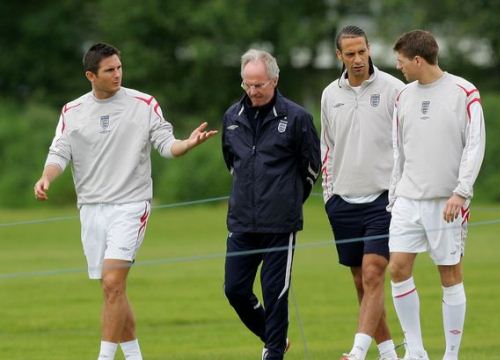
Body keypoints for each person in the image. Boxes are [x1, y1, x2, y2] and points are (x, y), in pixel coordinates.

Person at [34, 43, 217, 360]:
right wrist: (47, 177)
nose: (117, 74)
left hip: (131, 205)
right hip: (91, 209)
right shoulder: (72, 111)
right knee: (112, 289)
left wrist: (186, 144)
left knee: (113, 282)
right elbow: (59, 153)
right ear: (91, 75)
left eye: (119, 67)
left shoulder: (143, 103)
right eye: (109, 70)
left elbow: (165, 144)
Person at [388, 30, 485, 360]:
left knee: (450, 274)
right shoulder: (403, 97)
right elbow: (398, 150)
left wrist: (461, 192)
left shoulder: (464, 92)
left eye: (401, 61)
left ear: (417, 60)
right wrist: (394, 194)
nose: (398, 66)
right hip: (407, 200)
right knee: (397, 268)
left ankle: (451, 355)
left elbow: (474, 145)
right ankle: (415, 351)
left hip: (447, 202)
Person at [222, 49, 321, 360]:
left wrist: (288, 198)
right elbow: (232, 162)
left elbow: (312, 167)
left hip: (280, 221)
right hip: (241, 221)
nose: (253, 91)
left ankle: (273, 352)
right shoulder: (231, 118)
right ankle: (273, 336)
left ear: (274, 81)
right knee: (234, 289)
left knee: (275, 293)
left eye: (259, 85)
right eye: (247, 85)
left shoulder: (297, 118)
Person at [320, 25, 405, 360]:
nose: (357, 59)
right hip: (342, 201)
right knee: (361, 282)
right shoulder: (330, 94)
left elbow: (406, 145)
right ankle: (388, 353)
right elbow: (326, 146)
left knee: (373, 272)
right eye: (350, 54)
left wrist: (399, 191)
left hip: (383, 200)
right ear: (339, 56)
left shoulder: (394, 90)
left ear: (370, 49)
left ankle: (356, 353)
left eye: (362, 51)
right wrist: (329, 195)